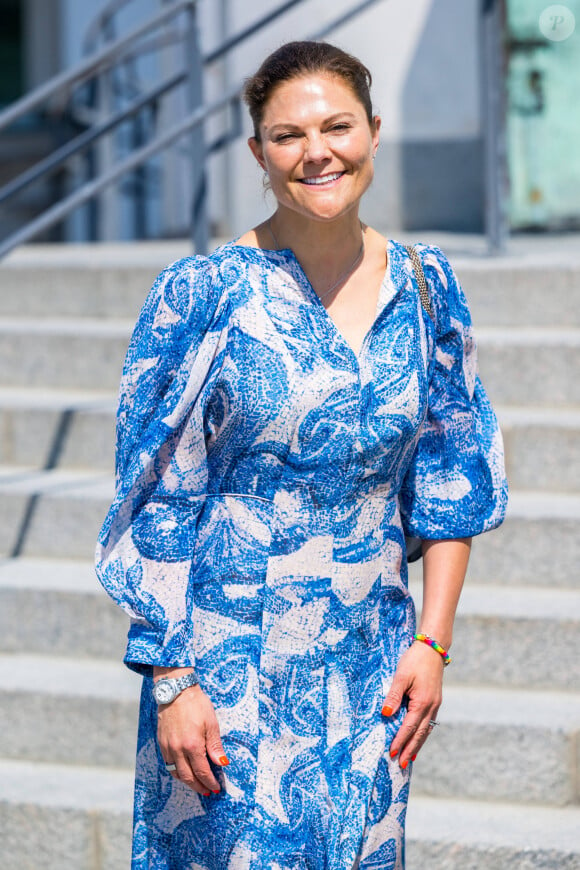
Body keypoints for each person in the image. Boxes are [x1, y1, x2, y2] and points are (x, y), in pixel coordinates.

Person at [95, 40, 507, 870]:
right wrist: (173, 679)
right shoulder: (202, 293)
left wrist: (431, 645)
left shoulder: (428, 286)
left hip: (373, 662)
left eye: (337, 126)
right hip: (226, 666)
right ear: (257, 153)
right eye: (287, 136)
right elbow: (159, 498)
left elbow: (451, 476)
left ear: (374, 133)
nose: (316, 152)